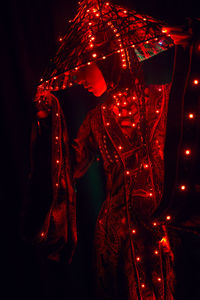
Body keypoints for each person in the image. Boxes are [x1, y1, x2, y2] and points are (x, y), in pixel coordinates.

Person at [29, 21, 193, 300]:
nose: (78, 76)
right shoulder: (96, 120)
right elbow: (70, 167)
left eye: (83, 64)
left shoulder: (160, 99)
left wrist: (189, 49)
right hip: (116, 240)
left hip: (161, 233)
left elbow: (191, 97)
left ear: (107, 60)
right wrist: (47, 122)